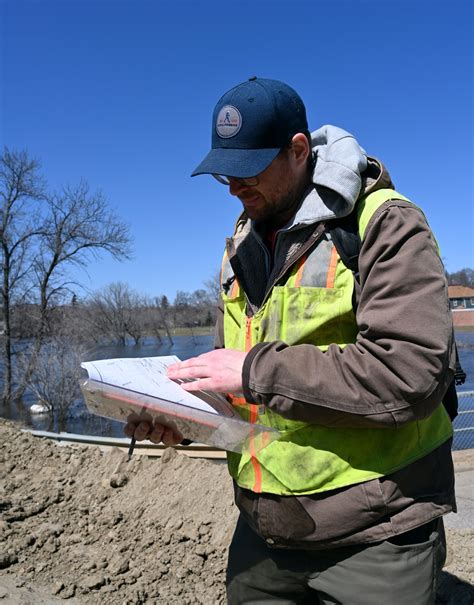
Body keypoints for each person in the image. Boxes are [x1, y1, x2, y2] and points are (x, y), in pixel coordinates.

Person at [125, 77, 457, 604]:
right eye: (224, 175)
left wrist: (256, 372)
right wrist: (182, 418)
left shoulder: (384, 224)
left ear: (298, 150)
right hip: (263, 536)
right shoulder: (240, 244)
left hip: (377, 535)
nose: (234, 187)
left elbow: (410, 374)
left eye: (247, 170)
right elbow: (234, 382)